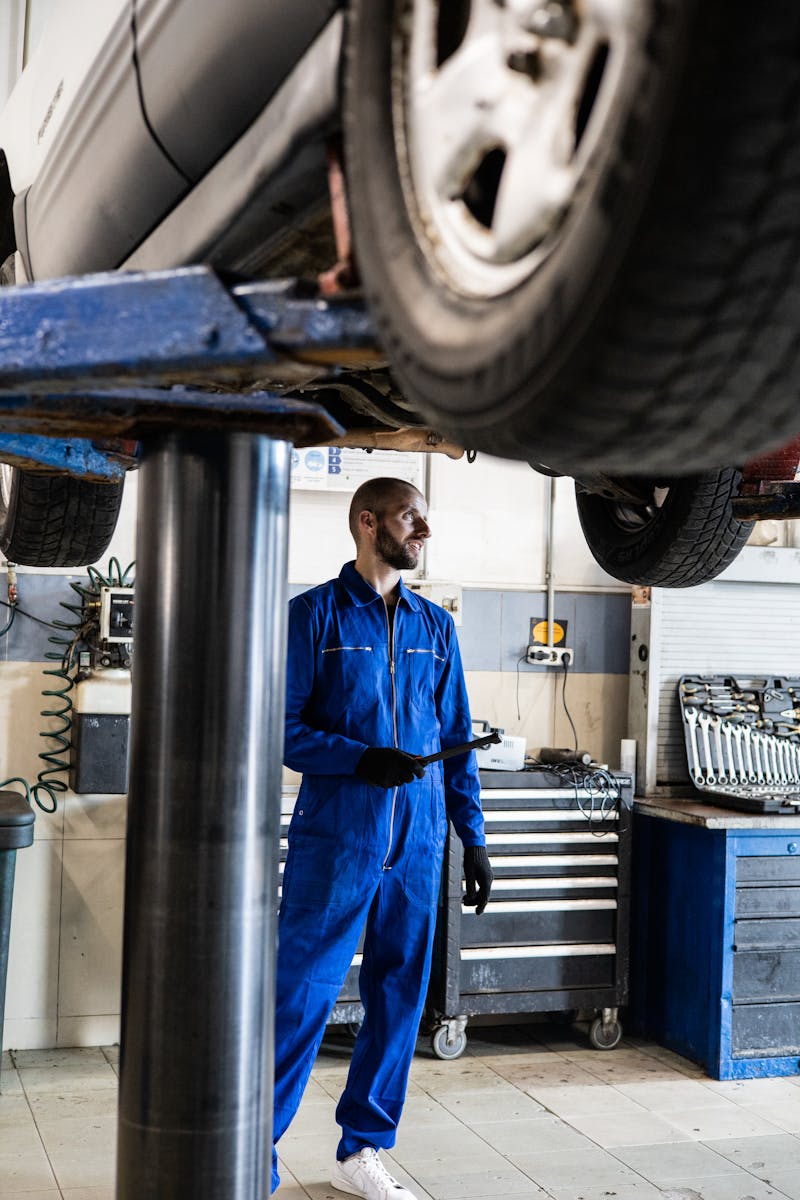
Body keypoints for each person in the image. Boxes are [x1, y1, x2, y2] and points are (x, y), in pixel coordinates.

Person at [272, 476, 493, 1199]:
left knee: (399, 993)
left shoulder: (436, 628)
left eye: (426, 518)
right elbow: (284, 729)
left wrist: (474, 836)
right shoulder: (313, 617)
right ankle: (252, 1149)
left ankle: (362, 1147)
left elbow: (456, 739)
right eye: (411, 518)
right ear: (368, 523)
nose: (423, 531)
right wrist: (359, 758)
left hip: (419, 840)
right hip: (337, 839)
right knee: (299, 996)